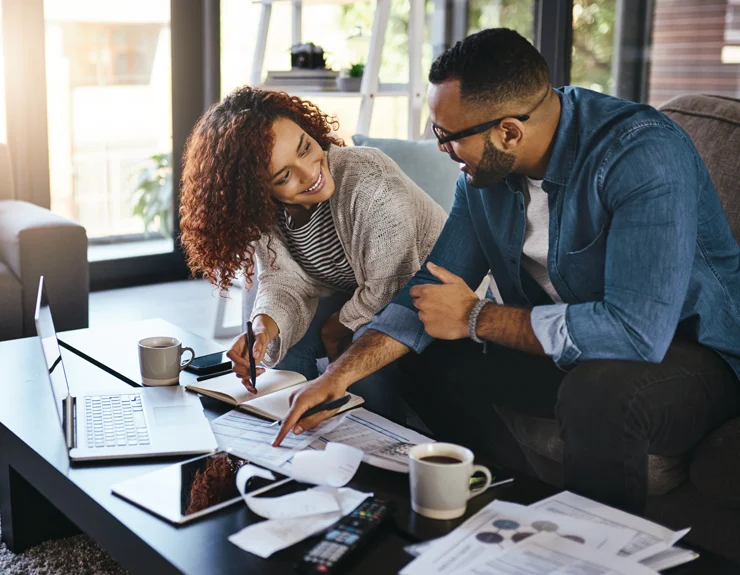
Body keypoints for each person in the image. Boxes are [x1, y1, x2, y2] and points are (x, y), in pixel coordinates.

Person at [273, 28, 740, 514]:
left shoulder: (641, 155)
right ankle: (508, 506)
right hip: (572, 351)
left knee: (598, 393)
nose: (442, 150)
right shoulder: (484, 177)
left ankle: (596, 553)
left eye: (447, 136)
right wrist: (337, 377)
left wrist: (477, 317)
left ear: (509, 132)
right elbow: (430, 289)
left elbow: (637, 333)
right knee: (423, 356)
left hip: (692, 357)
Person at [179, 87, 447, 422]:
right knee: (286, 349)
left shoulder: (370, 182)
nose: (310, 173)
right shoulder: (267, 212)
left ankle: (382, 445)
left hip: (422, 294)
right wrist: (262, 329)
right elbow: (285, 280)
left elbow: (391, 287)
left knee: (362, 347)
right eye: (285, 175)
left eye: (306, 148)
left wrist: (336, 327)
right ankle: (288, 432)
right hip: (360, 292)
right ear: (258, 193)